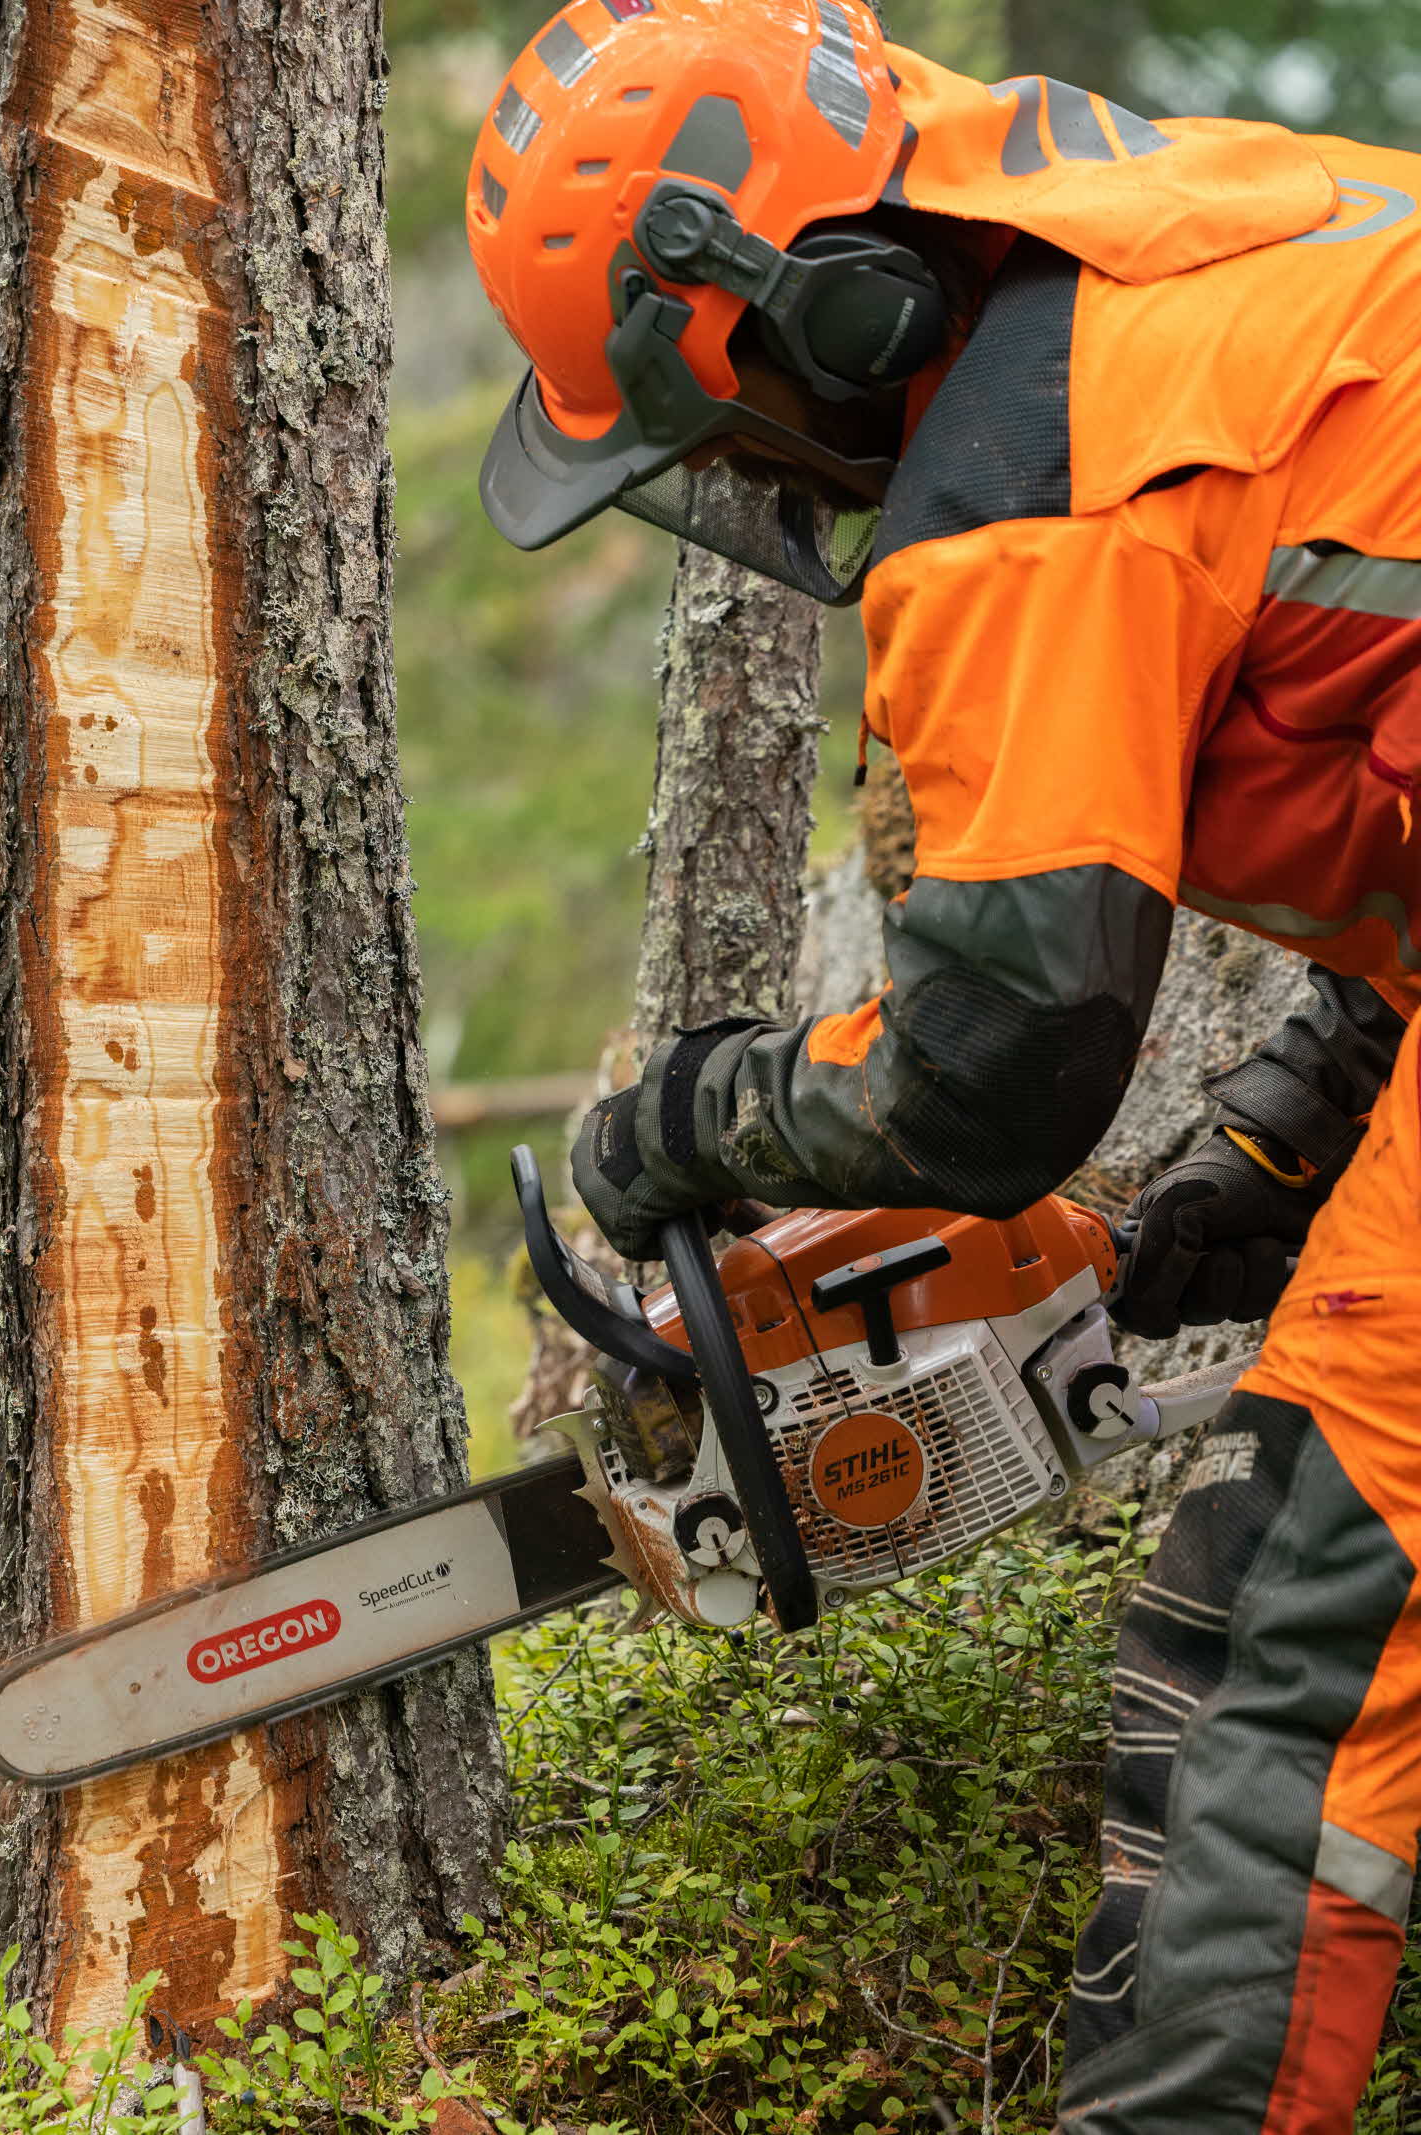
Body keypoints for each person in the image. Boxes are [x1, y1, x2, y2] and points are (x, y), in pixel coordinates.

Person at [465, 3, 1421, 2128]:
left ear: (836, 305)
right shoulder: (1217, 227)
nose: (752, 484)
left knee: (1284, 1632)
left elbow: (992, 1066)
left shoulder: (1030, 486)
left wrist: (703, 1118)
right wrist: (1267, 1164)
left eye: (732, 432)